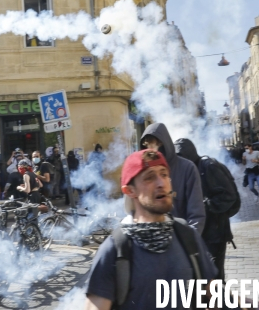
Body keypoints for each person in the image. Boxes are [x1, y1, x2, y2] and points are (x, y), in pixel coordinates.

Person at [84, 149, 217, 310]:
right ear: (129, 190)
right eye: (149, 177)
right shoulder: (115, 249)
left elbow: (214, 295)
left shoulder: (187, 235)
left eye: (164, 174)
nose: (161, 183)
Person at [175, 138, 235, 281]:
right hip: (200, 232)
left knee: (214, 278)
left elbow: (229, 196)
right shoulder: (187, 172)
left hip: (215, 233)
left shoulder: (209, 167)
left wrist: (203, 205)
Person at [140, 122, 206, 234]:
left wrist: (189, 242)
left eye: (153, 146)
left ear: (163, 145)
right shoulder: (142, 172)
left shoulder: (187, 168)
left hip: (180, 242)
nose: (150, 151)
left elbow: (196, 215)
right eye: (146, 146)